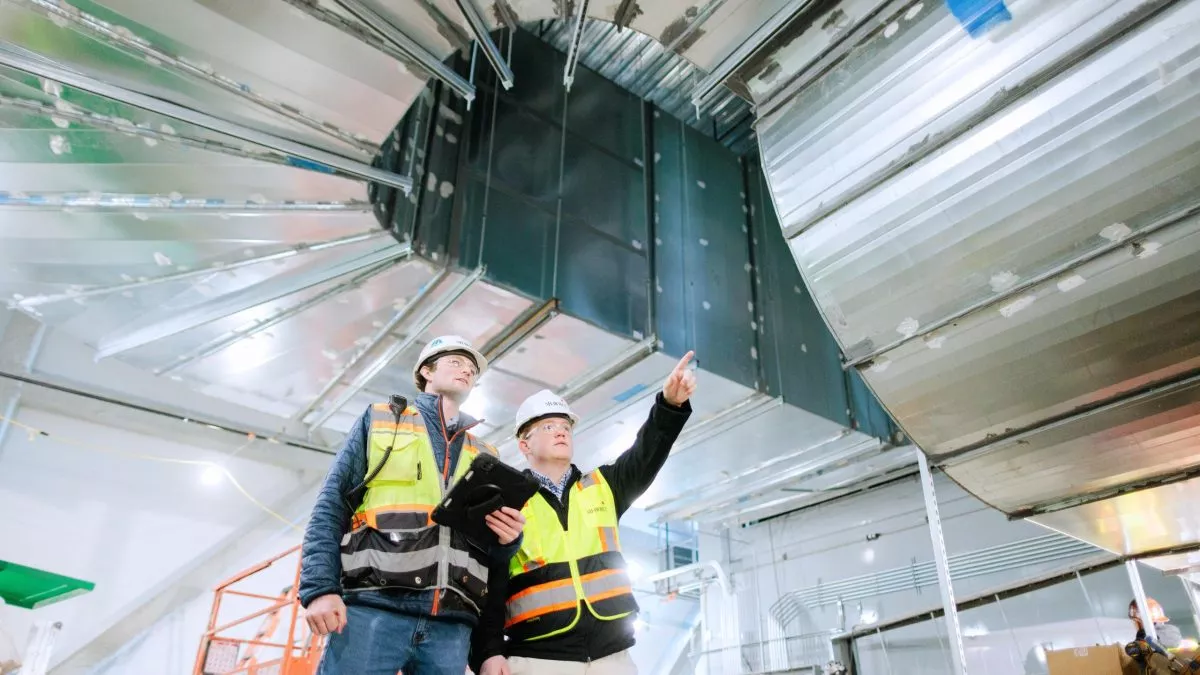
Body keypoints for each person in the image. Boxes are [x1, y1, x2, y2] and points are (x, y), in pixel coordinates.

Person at [299, 335, 527, 675]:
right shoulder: (381, 422)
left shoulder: (486, 454)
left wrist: (510, 542)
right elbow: (331, 507)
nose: (466, 369)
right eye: (455, 361)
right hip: (374, 610)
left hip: (451, 626)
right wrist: (319, 589)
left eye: (472, 368)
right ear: (426, 371)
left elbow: (489, 556)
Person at [470, 351, 698, 675]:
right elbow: (488, 583)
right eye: (548, 426)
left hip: (613, 659)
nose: (561, 432)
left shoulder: (605, 485)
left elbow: (646, 453)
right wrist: (488, 652)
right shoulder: (506, 500)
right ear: (524, 445)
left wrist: (669, 405)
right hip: (537, 660)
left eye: (565, 426)